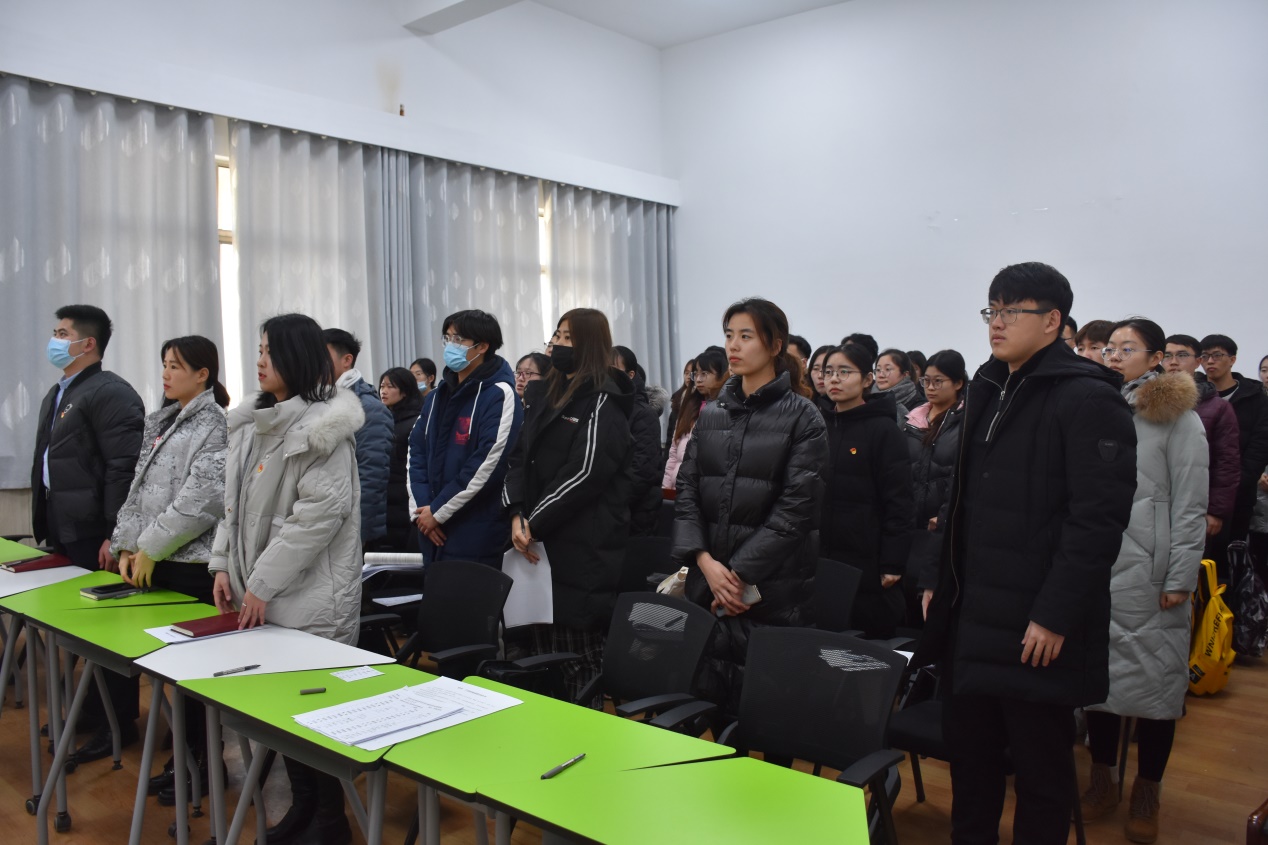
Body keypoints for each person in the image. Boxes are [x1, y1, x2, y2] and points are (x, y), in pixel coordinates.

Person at [914, 262, 1137, 844]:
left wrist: (1055, 614)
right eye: (992, 310)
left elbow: (1097, 521)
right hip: (971, 615)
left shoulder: (1088, 397)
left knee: (1041, 778)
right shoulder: (987, 388)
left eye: (1013, 311)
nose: (997, 322)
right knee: (972, 769)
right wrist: (938, 578)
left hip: (1036, 625)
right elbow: (957, 501)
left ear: (1053, 320)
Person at [209, 313, 364, 845]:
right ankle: (304, 808)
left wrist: (261, 583)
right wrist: (222, 565)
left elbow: (315, 519)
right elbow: (232, 507)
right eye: (258, 350)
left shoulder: (324, 431)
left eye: (270, 352)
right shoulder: (255, 423)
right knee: (284, 715)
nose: (259, 361)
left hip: (311, 596)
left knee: (313, 714)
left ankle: (331, 823)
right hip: (265, 592)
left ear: (296, 358)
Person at [1081, 318, 1207, 843]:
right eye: (1109, 348)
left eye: (1126, 348)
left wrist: (1180, 575)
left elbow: (1191, 505)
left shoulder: (1179, 418)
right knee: (1100, 682)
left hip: (1152, 573)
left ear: (1156, 358)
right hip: (1098, 564)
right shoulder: (1098, 406)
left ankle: (1147, 790)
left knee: (1156, 689)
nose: (1113, 356)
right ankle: (1103, 780)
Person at [672, 298, 827, 719]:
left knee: (767, 713)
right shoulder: (712, 414)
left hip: (771, 589)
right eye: (729, 335)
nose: (733, 346)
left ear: (775, 345)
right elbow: (687, 490)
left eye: (746, 336)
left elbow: (795, 510)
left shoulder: (804, 417)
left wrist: (738, 574)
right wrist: (705, 562)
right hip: (709, 584)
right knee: (704, 706)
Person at [111, 336, 229, 804]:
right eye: (164, 364)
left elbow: (202, 500)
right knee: (169, 677)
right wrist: (127, 545)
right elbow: (137, 490)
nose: (166, 373)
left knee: (194, 679)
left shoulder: (215, 423)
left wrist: (150, 548)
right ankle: (182, 761)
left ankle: (205, 765)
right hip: (155, 562)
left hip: (190, 567)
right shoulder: (163, 420)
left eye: (176, 366)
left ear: (203, 374)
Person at [32, 304, 145, 762]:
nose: (55, 340)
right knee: (82, 630)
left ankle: (118, 723)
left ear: (88, 343)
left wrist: (115, 535)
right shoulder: (62, 391)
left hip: (95, 532)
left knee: (108, 632)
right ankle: (92, 710)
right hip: (64, 525)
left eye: (62, 333)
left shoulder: (110, 392)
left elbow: (124, 468)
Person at [505, 308, 634, 702]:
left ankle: (585, 735)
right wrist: (516, 514)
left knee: (577, 660)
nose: (558, 344)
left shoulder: (604, 401)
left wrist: (533, 523)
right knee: (539, 655)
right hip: (535, 542)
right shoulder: (545, 394)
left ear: (590, 345)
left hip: (581, 548)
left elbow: (585, 473)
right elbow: (518, 459)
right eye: (556, 336)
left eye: (568, 338)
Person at [409, 309, 522, 568]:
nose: (451, 345)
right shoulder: (436, 396)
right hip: (431, 529)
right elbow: (416, 451)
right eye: (447, 338)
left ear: (482, 346)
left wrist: (438, 512)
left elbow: (488, 463)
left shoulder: (499, 394)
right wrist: (423, 511)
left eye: (458, 339)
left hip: (475, 532)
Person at [819, 343, 913, 638]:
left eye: (844, 372)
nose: (834, 379)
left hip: (867, 561)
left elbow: (899, 502)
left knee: (860, 643)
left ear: (867, 379)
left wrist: (893, 562)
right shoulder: (817, 425)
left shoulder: (884, 430)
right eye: (829, 372)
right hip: (819, 556)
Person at [1164, 334, 1241, 563]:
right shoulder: (1145, 400)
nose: (1173, 362)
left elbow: (1226, 463)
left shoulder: (1217, 407)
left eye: (1182, 355)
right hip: (1154, 500)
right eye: (1167, 355)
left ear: (1198, 361)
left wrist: (1216, 511)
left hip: (1195, 504)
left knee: (1186, 567)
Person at [904, 349, 968, 624]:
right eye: (926, 381)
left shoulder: (965, 422)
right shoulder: (912, 420)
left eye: (938, 381)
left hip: (940, 525)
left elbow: (959, 475)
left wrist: (945, 514)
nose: (930, 387)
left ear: (958, 383)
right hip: (910, 523)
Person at [324, 328, 394, 549]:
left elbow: (371, 478)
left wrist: (356, 535)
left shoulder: (369, 409)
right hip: (323, 526)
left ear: (347, 360)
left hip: (350, 533)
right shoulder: (320, 401)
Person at [1199, 334, 1268, 556]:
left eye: (1217, 355)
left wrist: (1234, 485)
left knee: (1229, 559)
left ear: (1232, 359)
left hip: (1239, 496)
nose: (1210, 361)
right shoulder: (1193, 394)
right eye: (1205, 356)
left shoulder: (1255, 398)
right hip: (1197, 491)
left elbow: (1259, 448)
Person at [613, 345, 665, 535]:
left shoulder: (643, 414)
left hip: (635, 512)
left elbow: (642, 470)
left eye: (614, 369)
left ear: (631, 374)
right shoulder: (607, 408)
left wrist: (611, 501)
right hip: (610, 511)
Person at [663, 348, 727, 491]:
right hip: (676, 487)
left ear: (721, 375)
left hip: (703, 489)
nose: (698, 379)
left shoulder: (725, 409)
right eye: (695, 374)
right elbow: (673, 452)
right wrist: (666, 486)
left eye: (704, 374)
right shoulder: (688, 407)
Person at [378, 367, 424, 552]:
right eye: (382, 386)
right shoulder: (383, 420)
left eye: (390, 386)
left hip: (404, 503)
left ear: (404, 391)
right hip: (386, 502)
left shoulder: (415, 422)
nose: (384, 391)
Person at [874, 347, 923, 422]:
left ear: (905, 374)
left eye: (888, 369)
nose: (881, 375)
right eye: (878, 370)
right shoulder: (867, 400)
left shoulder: (920, 407)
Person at [665, 357, 697, 451]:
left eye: (692, 374)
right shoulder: (677, 398)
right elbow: (670, 435)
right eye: (686, 373)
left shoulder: (702, 399)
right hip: (676, 450)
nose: (688, 377)